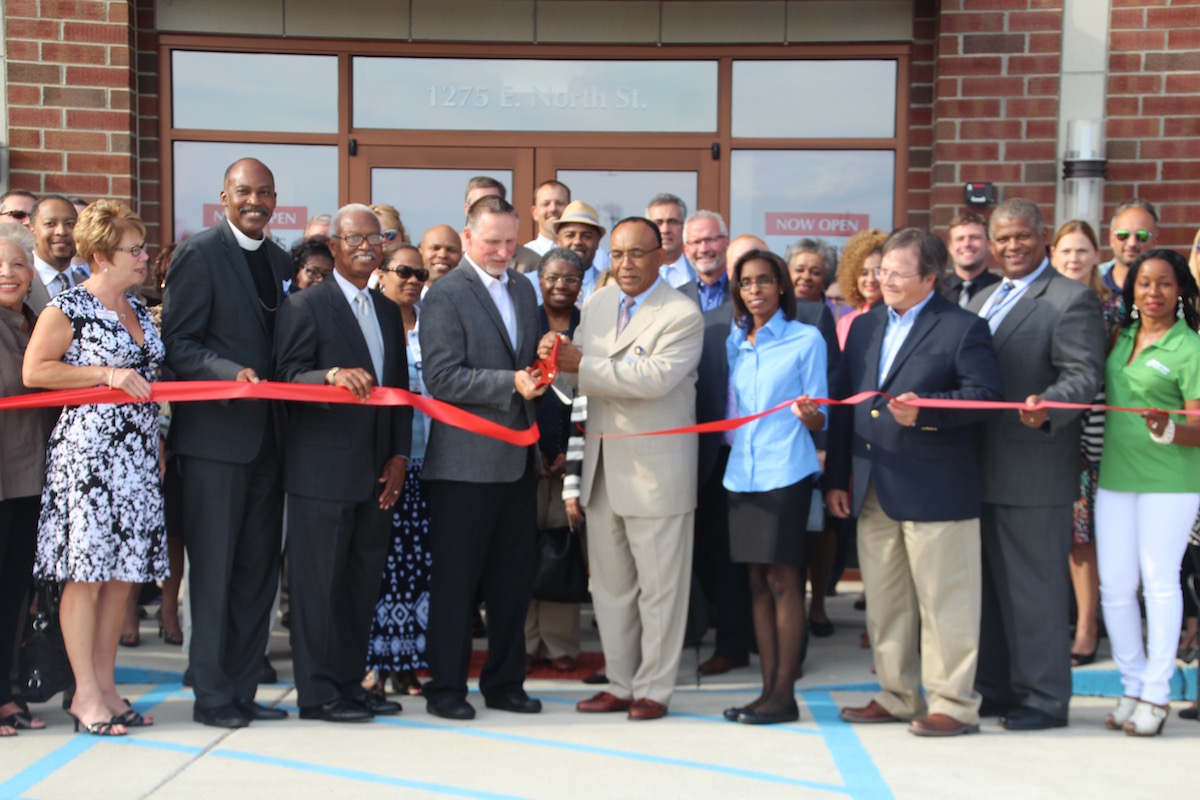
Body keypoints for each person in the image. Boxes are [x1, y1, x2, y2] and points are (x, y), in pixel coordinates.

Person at [827, 228, 1004, 737]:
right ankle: (897, 694)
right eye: (882, 271)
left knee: (946, 604)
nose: (884, 281)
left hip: (936, 490)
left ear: (930, 278)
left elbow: (986, 396)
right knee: (887, 604)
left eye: (897, 274)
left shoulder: (964, 328)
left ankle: (954, 703)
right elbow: (846, 403)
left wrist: (927, 410)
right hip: (872, 486)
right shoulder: (865, 326)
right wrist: (837, 477)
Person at [538, 216, 704, 721]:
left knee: (660, 590)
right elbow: (579, 384)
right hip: (601, 467)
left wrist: (579, 364)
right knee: (610, 590)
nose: (626, 263)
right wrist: (553, 362)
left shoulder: (681, 313)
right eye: (617, 254)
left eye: (637, 253)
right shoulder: (598, 302)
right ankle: (621, 683)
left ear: (661, 256)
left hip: (655, 475)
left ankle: (654, 689)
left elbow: (653, 379)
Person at [22, 200, 167, 737]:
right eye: (135, 249)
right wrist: (104, 374)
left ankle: (106, 686)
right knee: (86, 576)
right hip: (88, 456)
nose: (144, 257)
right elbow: (35, 371)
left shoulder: (140, 309)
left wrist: (154, 446)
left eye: (144, 248)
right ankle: (83, 693)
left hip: (137, 455)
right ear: (103, 256)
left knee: (122, 578)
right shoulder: (69, 307)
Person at [968, 197, 1106, 731]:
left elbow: (1083, 375)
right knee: (991, 593)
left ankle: (1045, 699)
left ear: (1043, 237)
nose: (1012, 246)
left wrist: (1049, 405)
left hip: (1033, 470)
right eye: (1002, 238)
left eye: (1022, 236)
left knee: (1035, 594)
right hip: (978, 470)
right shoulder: (983, 299)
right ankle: (997, 688)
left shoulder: (1071, 298)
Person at [162, 157, 290, 729]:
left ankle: (242, 688)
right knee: (212, 575)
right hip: (216, 441)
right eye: (244, 191)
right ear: (224, 197)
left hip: (271, 442)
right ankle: (211, 694)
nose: (255, 201)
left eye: (264, 192)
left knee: (257, 575)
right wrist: (228, 374)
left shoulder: (280, 261)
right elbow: (178, 344)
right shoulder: (199, 254)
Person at [276, 204, 411, 724]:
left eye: (375, 239)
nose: (365, 247)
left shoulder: (386, 310)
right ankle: (318, 695)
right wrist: (329, 375)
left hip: (377, 474)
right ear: (332, 246)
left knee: (359, 588)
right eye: (354, 238)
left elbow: (399, 391)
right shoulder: (305, 305)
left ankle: (351, 685)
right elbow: (286, 377)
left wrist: (399, 454)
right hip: (322, 475)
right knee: (318, 590)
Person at [418, 194, 547, 721]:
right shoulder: (444, 294)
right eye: (492, 242)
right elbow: (441, 377)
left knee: (512, 584)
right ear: (467, 237)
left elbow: (526, 361)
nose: (502, 252)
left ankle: (505, 683)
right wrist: (510, 382)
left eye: (510, 242)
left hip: (518, 461)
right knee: (456, 585)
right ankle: (446, 688)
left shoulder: (524, 288)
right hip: (463, 467)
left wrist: (541, 366)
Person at [1095, 249, 1200, 736]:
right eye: (1144, 283)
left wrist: (1170, 429)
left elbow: (1198, 424)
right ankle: (1132, 684)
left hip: (1170, 480)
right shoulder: (1122, 336)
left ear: (1180, 291)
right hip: (1116, 477)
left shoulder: (1190, 347)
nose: (1153, 292)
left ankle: (1157, 693)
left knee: (1159, 583)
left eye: (1164, 283)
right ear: (1131, 290)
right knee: (1115, 588)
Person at [719, 250, 826, 725]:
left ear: (781, 285)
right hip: (741, 474)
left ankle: (784, 696)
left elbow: (823, 416)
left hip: (785, 472)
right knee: (757, 584)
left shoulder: (807, 338)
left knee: (784, 582)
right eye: (746, 283)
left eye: (764, 280)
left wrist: (811, 416)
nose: (755, 290)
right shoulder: (736, 342)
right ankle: (766, 692)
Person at [364, 243, 431, 698]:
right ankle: (372, 663)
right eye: (403, 271)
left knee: (417, 570)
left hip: (428, 466)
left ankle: (408, 665)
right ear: (382, 273)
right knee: (377, 568)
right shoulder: (368, 319)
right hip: (380, 465)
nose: (412, 280)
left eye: (420, 274)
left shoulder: (434, 324)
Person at [1049, 220, 1117, 667]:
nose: (1074, 258)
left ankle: (1088, 628)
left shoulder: (1113, 311)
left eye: (1082, 250)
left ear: (1097, 256)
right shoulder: (1041, 303)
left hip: (1092, 445)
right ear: (1053, 256)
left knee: (1082, 541)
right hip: (1046, 440)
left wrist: (1091, 448)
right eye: (1066, 250)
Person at [0, 223, 53, 736]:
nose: (8, 273)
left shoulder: (38, 324)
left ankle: (9, 692)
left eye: (18, 263)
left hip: (31, 479)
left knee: (16, 593)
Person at [525, 247, 586, 672]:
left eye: (570, 279)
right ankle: (526, 641)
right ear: (539, 280)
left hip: (573, 459)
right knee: (523, 550)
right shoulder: (523, 323)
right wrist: (533, 449)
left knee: (563, 550)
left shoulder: (591, 326)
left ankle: (561, 644)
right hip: (525, 455)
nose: (560, 286)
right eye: (552, 277)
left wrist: (569, 452)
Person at [785, 235, 842, 635]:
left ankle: (817, 605)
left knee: (820, 526)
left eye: (815, 272)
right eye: (799, 269)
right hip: (777, 437)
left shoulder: (821, 316)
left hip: (814, 436)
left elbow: (830, 383)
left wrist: (822, 445)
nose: (806, 277)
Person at [833, 228, 887, 349]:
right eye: (864, 273)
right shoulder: (845, 322)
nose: (871, 279)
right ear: (853, 277)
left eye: (878, 272)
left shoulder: (897, 318)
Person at [1099, 199, 1158, 295]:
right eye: (1123, 235)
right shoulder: (1092, 281)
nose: (1132, 243)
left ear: (1154, 241)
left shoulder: (1163, 287)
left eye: (1142, 236)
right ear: (1111, 239)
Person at [941, 212, 999, 308]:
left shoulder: (1000, 290)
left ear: (989, 244)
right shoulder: (936, 291)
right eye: (960, 239)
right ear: (950, 247)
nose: (966, 244)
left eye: (975, 237)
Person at [648, 194, 693, 288]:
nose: (665, 230)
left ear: (684, 226)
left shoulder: (698, 270)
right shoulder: (637, 272)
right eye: (658, 223)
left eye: (672, 222)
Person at [525, 180, 570, 255]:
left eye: (559, 203)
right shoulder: (523, 257)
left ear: (569, 209)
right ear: (534, 213)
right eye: (545, 204)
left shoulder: (583, 255)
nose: (553, 209)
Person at [418, 224, 463, 289]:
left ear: (461, 257)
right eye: (435, 248)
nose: (442, 255)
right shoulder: (406, 294)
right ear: (420, 253)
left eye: (451, 250)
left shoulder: (473, 294)